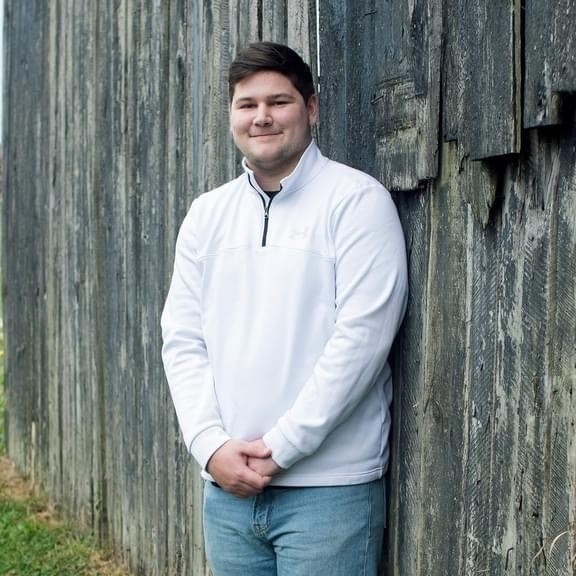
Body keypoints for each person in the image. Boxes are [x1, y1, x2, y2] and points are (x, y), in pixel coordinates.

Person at [161, 41, 408, 576]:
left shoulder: (357, 203)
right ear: (232, 114)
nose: (262, 117)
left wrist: (282, 448)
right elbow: (183, 339)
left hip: (328, 493)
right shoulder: (207, 215)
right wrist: (209, 446)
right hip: (227, 491)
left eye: (280, 101)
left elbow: (361, 342)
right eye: (247, 104)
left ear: (311, 108)